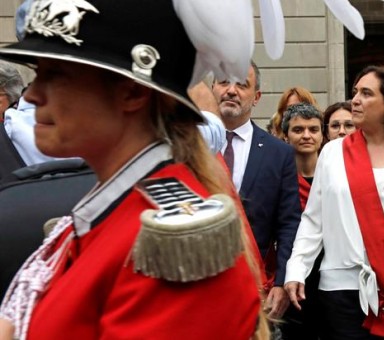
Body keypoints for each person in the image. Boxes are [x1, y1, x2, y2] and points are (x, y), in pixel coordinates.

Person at [0, 0, 269, 338]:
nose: (33, 94)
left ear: (130, 92)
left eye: (56, 74)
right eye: (37, 73)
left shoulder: (174, 248)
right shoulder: (111, 212)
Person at [285, 65, 384, 339]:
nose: (355, 100)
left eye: (366, 93)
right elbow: (313, 221)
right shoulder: (333, 154)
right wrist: (297, 269)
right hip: (341, 289)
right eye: (355, 92)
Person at [211, 61, 301, 321]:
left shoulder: (279, 153)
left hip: (255, 287)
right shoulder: (189, 145)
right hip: (197, 281)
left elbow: (289, 223)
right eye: (224, 82)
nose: (231, 90)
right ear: (212, 88)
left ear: (257, 97)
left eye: (242, 84)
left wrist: (282, 281)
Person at [280, 102, 324, 338]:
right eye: (298, 130)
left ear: (322, 135)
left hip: (330, 276)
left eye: (313, 129)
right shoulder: (279, 180)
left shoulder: (335, 177)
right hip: (293, 275)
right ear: (285, 136)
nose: (306, 135)